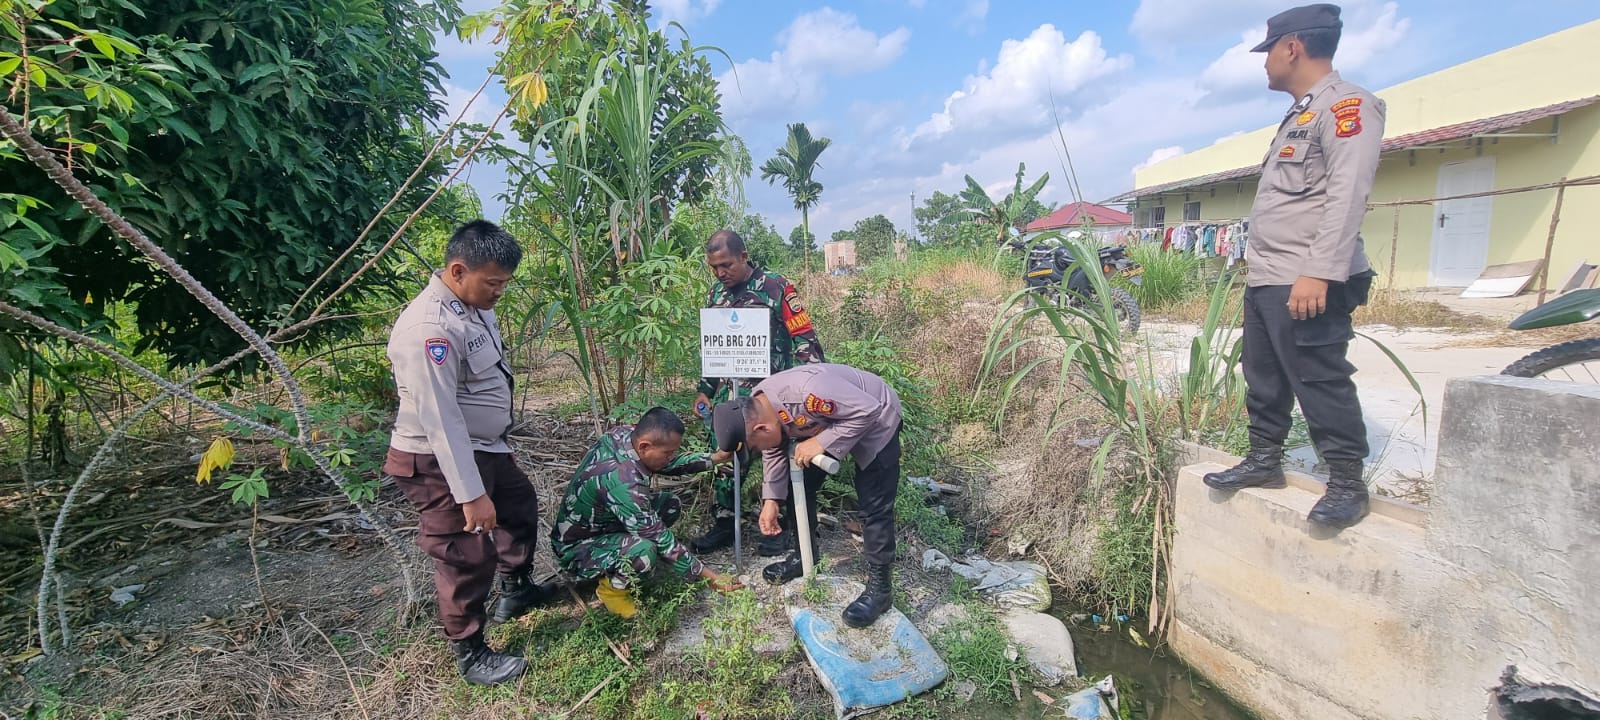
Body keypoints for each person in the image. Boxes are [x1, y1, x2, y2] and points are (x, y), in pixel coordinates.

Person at [1202, 3, 1383, 529]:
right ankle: (1265, 460)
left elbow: (1348, 194)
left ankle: (1347, 483)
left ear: (1292, 47)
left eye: (1268, 52)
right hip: (1270, 276)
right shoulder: (1302, 113)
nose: (1264, 65)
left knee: (1318, 375)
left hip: (1307, 277)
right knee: (1263, 374)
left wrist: (1320, 271)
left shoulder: (1347, 106)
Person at [382, 220, 553, 686]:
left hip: (485, 447)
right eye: (493, 282)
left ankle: (516, 591)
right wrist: (471, 493)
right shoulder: (428, 329)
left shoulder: (473, 307)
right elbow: (441, 420)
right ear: (458, 270)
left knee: (518, 507)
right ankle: (470, 651)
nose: (500, 292)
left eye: (504, 283)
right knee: (467, 550)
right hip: (438, 458)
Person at [711, 363, 902, 628]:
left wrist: (820, 443)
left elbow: (868, 410)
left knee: (874, 506)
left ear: (760, 429)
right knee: (796, 483)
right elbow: (773, 450)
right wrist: (771, 501)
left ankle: (880, 591)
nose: (757, 453)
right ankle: (805, 557)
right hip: (830, 423)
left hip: (876, 416)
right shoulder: (758, 405)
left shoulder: (811, 391)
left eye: (753, 448)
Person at [690, 229, 827, 556]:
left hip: (771, 401)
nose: (721, 273)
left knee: (773, 459)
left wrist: (810, 389)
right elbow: (715, 348)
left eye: (726, 265)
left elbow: (805, 340)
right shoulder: (716, 295)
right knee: (726, 461)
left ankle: (776, 529)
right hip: (731, 399)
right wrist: (705, 390)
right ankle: (726, 523)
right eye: (714, 268)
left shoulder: (776, 287)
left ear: (743, 256)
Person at [550, 408, 743, 618]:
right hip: (577, 548)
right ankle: (612, 590)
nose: (670, 457)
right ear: (644, 446)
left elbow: (668, 464)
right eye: (668, 452)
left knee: (669, 505)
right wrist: (711, 577)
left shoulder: (625, 436)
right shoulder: (624, 481)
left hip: (606, 522)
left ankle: (624, 554)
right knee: (645, 550)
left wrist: (715, 458)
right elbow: (662, 539)